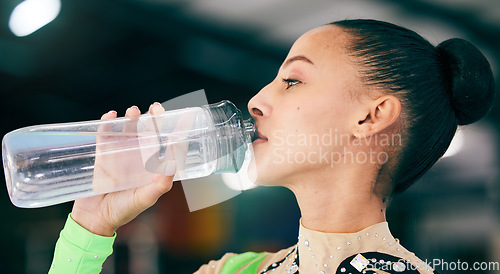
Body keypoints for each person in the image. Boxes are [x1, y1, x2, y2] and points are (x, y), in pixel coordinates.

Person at [48, 19, 494, 274]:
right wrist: (92, 227)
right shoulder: (233, 270)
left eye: (292, 81)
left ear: (371, 116)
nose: (257, 101)